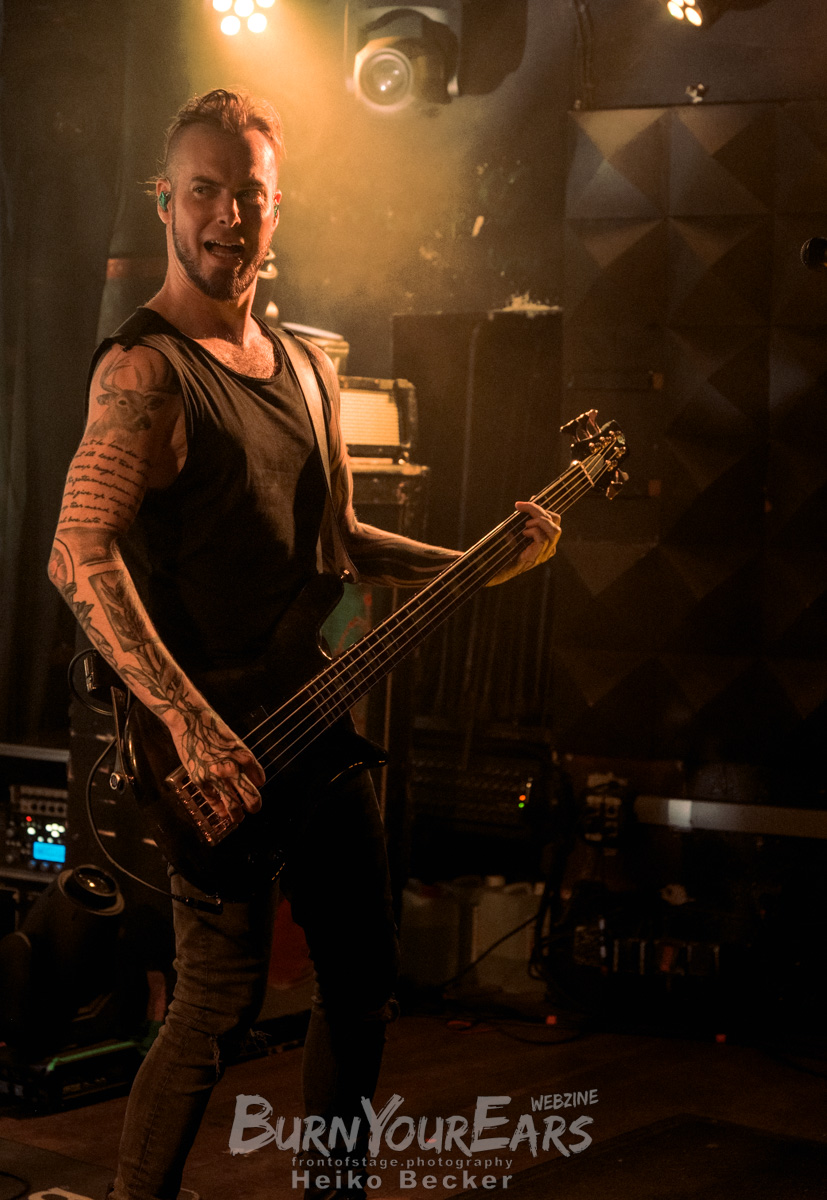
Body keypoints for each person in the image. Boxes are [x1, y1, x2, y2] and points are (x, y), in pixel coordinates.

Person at [48, 89, 561, 1200]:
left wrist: (476, 561)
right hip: (209, 747)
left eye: (250, 195)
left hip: (316, 723)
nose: (226, 217)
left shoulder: (308, 367)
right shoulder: (144, 371)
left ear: (277, 209)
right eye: (204, 192)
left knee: (362, 979)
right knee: (214, 1004)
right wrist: (191, 728)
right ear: (165, 200)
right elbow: (76, 551)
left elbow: (340, 541)